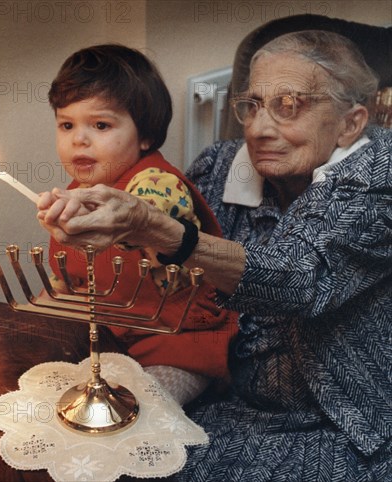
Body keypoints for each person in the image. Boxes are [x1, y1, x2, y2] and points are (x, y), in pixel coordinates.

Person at [38, 31, 392, 480]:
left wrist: (159, 229)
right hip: (216, 393)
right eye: (252, 105)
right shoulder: (221, 164)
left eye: (289, 106)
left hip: (334, 419)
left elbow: (298, 278)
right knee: (81, 446)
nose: (259, 129)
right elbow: (156, 271)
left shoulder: (379, 176)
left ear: (350, 122)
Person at [43, 44, 239, 405]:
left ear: (145, 135)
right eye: (66, 124)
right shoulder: (76, 192)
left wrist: (131, 223)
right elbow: (71, 277)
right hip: (107, 337)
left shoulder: (154, 184)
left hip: (177, 341)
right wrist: (50, 301)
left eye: (100, 125)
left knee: (142, 411)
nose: (79, 139)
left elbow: (152, 218)